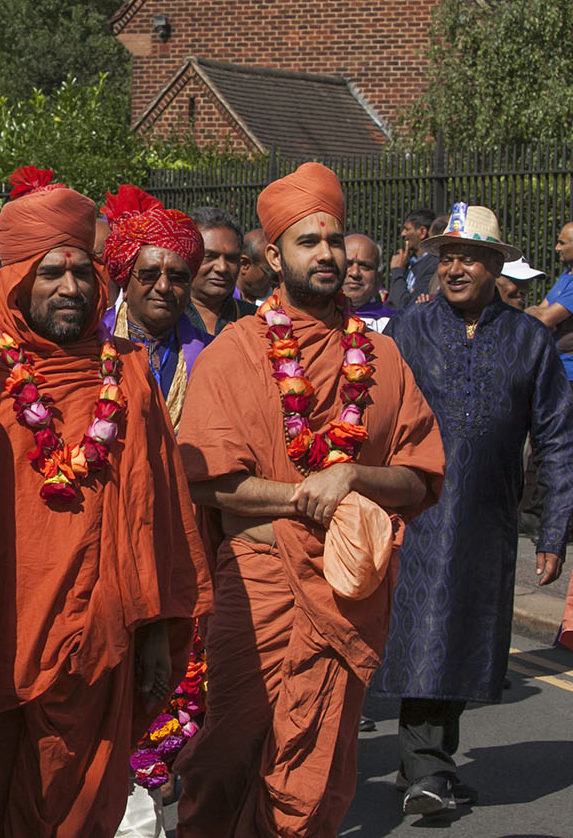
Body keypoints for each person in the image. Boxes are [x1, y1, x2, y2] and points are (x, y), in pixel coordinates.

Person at [0, 169, 210, 835]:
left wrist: (155, 641)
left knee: (71, 804)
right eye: (51, 272)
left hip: (98, 645)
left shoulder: (129, 372)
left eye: (83, 272)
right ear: (18, 277)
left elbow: (162, 515)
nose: (71, 287)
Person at [174, 162, 445, 836]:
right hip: (257, 588)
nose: (327, 253)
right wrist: (304, 496)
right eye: (307, 241)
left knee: (314, 775)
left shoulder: (382, 359)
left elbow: (421, 476)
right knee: (225, 757)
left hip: (346, 597)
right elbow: (204, 478)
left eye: (335, 238)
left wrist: (351, 477)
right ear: (273, 256)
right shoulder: (234, 352)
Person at [372, 204, 573, 816]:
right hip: (420, 510)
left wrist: (554, 531)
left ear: (494, 265)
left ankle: (438, 763)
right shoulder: (410, 327)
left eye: (469, 258)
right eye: (447, 257)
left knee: (466, 636)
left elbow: (558, 438)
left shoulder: (529, 339)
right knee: (423, 633)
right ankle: (424, 770)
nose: (454, 268)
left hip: (489, 519)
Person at [100, 185, 210, 429]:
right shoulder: (92, 343)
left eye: (177, 277)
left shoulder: (212, 354)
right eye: (149, 274)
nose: (163, 286)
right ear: (125, 284)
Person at [186, 206, 255, 336]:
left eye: (231, 258)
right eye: (209, 256)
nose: (222, 267)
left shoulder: (256, 319)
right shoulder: (166, 318)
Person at [525, 219, 573, 380]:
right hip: (556, 368)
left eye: (562, 243)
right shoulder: (566, 276)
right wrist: (538, 313)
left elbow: (543, 319)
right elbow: (538, 315)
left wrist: (542, 315)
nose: (557, 248)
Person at [387, 208, 438, 310]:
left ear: (422, 232)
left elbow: (405, 306)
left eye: (407, 229)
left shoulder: (433, 265)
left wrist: (397, 271)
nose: (403, 234)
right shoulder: (407, 262)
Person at [345, 233, 396, 333]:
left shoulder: (393, 325)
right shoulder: (315, 319)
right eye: (347, 264)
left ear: (378, 277)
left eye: (365, 266)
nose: (355, 273)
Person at [237, 227, 276, 304]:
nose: (273, 281)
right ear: (244, 264)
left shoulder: (276, 300)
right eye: (270, 273)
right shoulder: (221, 300)